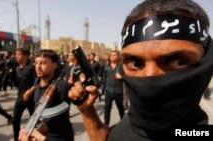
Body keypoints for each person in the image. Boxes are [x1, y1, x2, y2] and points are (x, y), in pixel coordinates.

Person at [68, 0, 213, 140]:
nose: (149, 79)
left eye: (177, 62)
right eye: (136, 63)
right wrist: (87, 111)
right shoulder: (131, 122)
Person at [19, 49, 74, 141]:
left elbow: (61, 120)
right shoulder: (37, 81)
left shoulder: (61, 86)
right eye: (36, 63)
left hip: (59, 137)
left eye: (43, 63)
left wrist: (36, 129)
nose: (38, 67)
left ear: (54, 65)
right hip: (43, 131)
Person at [12, 47, 36, 141]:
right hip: (20, 98)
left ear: (26, 56)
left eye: (19, 54)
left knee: (34, 121)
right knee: (15, 120)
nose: (16, 56)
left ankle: (35, 137)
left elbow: (37, 83)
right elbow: (17, 84)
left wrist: (29, 92)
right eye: (16, 54)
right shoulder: (17, 69)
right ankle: (16, 138)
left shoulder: (31, 68)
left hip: (31, 99)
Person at [102, 50, 124, 126]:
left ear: (118, 57)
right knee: (107, 108)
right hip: (108, 91)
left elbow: (128, 77)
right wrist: (103, 88)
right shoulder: (106, 66)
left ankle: (122, 122)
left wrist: (122, 77)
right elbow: (104, 78)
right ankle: (106, 124)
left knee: (121, 108)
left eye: (114, 55)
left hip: (118, 91)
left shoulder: (121, 67)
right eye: (111, 55)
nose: (112, 56)